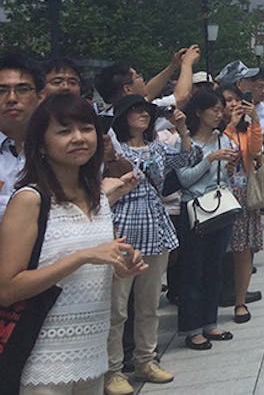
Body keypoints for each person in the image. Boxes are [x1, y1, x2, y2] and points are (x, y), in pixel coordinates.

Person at [0, 92, 146, 394]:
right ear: (41, 143)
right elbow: (7, 288)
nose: (78, 138)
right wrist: (83, 256)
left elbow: (93, 270)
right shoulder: (30, 199)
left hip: (92, 352)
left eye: (86, 128)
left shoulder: (97, 198)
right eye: (64, 131)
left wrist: (121, 266)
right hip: (42, 360)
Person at [104, 95, 201, 394]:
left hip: (154, 224)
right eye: (135, 110)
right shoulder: (110, 149)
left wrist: (182, 130)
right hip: (121, 226)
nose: (142, 115)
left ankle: (146, 357)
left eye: (145, 111)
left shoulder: (157, 146)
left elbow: (189, 158)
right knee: (117, 308)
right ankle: (113, 370)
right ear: (123, 116)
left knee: (148, 303)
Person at [174, 89, 240, 350]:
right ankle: (192, 327)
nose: (218, 113)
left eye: (220, 108)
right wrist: (209, 160)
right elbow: (185, 179)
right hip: (195, 209)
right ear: (198, 112)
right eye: (213, 108)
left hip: (220, 207)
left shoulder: (223, 139)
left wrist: (230, 167)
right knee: (193, 270)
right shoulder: (187, 143)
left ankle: (210, 321)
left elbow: (225, 176)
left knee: (214, 268)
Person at [219, 85, 264, 323]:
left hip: (244, 192)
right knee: (220, 250)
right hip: (220, 194)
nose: (233, 105)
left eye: (235, 100)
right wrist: (230, 126)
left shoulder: (246, 131)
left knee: (243, 249)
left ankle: (240, 301)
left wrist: (254, 120)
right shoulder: (217, 131)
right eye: (227, 101)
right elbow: (219, 150)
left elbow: (255, 150)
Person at [0, 53, 48, 221]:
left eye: (22, 89)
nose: (12, 98)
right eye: (2, 90)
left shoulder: (56, 149)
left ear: (41, 97)